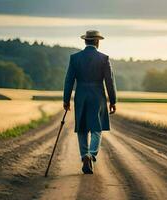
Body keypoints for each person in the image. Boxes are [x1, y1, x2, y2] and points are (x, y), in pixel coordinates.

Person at [63, 30, 117, 174]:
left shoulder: (74, 58)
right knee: (96, 128)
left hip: (80, 95)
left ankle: (83, 155)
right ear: (97, 42)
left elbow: (69, 80)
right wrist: (113, 101)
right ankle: (91, 155)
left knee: (81, 127)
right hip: (98, 96)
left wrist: (66, 100)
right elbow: (110, 82)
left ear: (85, 41)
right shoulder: (104, 58)